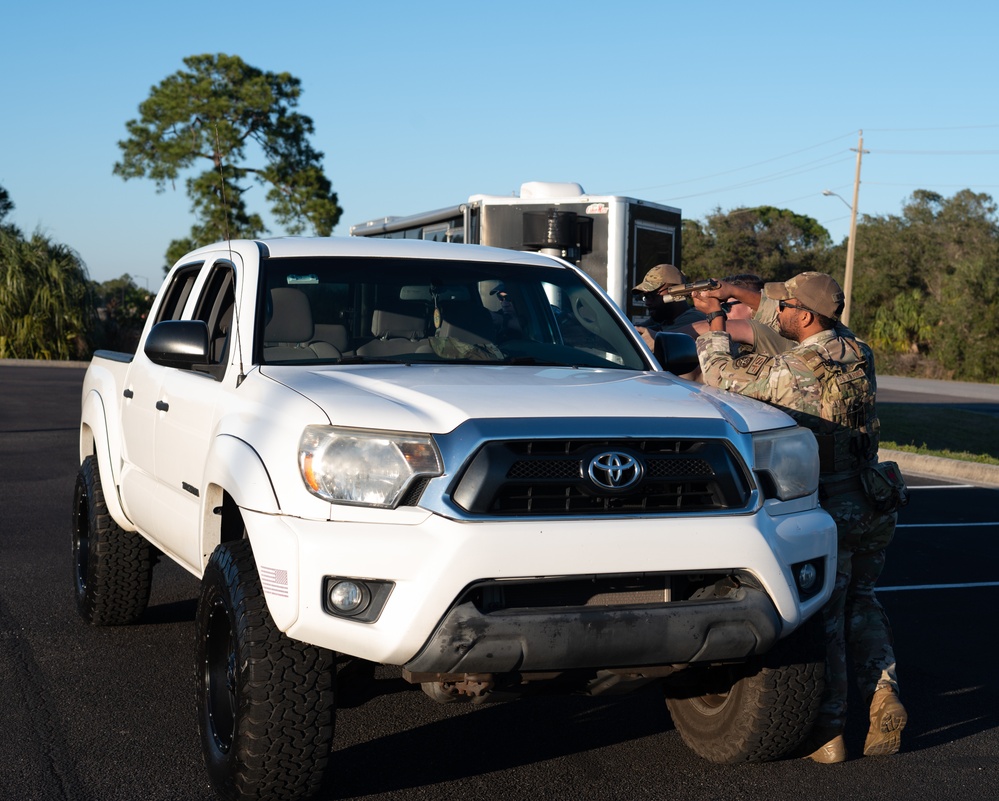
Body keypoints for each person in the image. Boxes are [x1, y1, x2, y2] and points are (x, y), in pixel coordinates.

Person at [690, 271, 907, 764]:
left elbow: (720, 376)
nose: (777, 313)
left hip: (831, 506)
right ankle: (884, 692)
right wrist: (743, 294)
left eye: (785, 307)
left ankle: (829, 732)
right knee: (865, 603)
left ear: (806, 316)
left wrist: (715, 320)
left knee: (825, 619)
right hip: (873, 499)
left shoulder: (799, 367)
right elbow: (786, 327)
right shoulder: (858, 351)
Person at [632, 263, 706, 351]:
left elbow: (661, 338)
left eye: (653, 295)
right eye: (646, 296)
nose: (647, 302)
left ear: (677, 291)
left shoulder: (694, 319)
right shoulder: (664, 318)